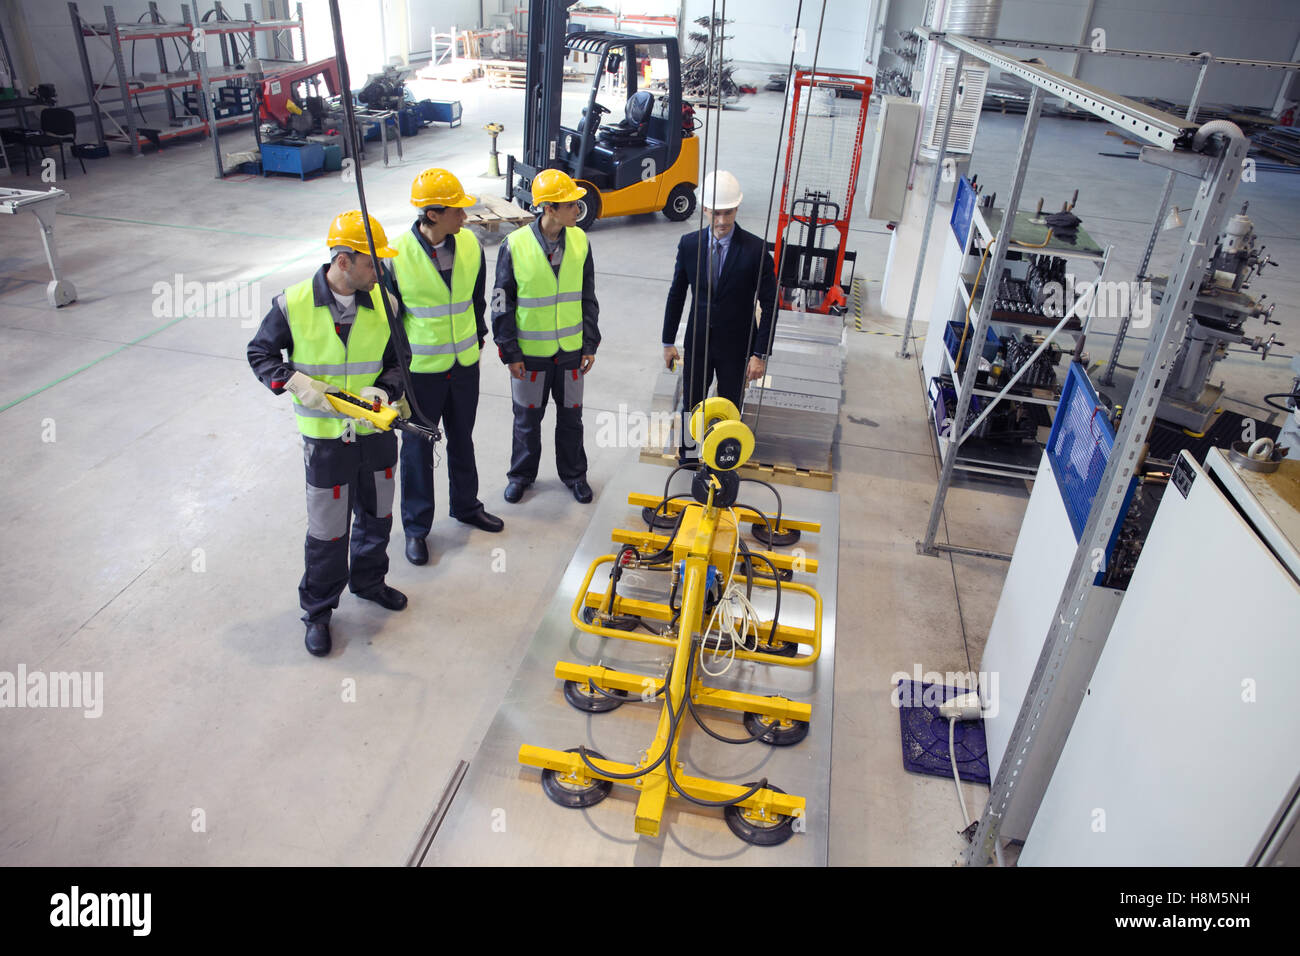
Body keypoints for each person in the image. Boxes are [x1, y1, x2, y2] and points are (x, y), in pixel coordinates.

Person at [247, 211, 409, 658]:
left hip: (375, 435)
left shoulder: (387, 305)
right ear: (343, 260)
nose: (379, 272)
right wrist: (292, 381)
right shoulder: (293, 304)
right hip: (325, 446)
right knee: (328, 532)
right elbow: (260, 353)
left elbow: (400, 361)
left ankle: (370, 582)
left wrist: (387, 388)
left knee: (377, 517)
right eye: (372, 264)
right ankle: (318, 612)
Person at [390, 167, 504, 567]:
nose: (465, 215)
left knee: (463, 438)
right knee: (418, 450)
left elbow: (476, 298)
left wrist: (478, 334)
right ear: (432, 215)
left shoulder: (470, 245)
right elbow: (390, 321)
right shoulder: (395, 255)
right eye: (456, 210)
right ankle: (417, 529)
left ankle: (466, 505)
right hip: (421, 371)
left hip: (465, 366)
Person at [492, 168, 600, 504]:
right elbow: (500, 301)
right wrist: (509, 351)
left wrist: (590, 343)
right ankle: (521, 476)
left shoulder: (580, 241)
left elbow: (587, 296)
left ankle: (574, 475)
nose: (577, 209)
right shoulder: (515, 245)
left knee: (572, 417)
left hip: (570, 351)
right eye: (570, 204)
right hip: (530, 354)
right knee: (527, 420)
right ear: (549, 208)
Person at [661, 170, 777, 459]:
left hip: (737, 348)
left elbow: (770, 305)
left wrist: (759, 354)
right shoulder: (689, 245)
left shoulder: (756, 250)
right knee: (693, 403)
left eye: (728, 213)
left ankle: (723, 460)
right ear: (705, 210)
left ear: (737, 208)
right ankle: (687, 457)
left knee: (729, 406)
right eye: (716, 213)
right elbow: (676, 294)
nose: (722, 221)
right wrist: (667, 341)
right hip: (698, 342)